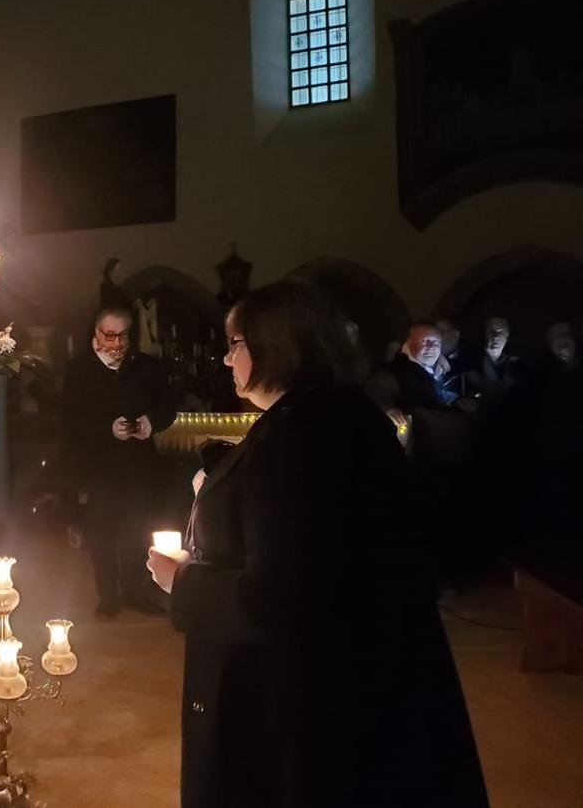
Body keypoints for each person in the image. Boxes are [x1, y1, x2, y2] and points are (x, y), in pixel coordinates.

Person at [146, 281, 487, 808]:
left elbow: (279, 599)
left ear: (277, 345)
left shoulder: (303, 438)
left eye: (236, 343)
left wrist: (184, 580)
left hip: (307, 717)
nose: (225, 356)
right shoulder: (330, 418)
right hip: (349, 695)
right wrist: (222, 475)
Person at [62, 305, 176, 618]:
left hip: (139, 465)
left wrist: (148, 424)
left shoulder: (147, 367)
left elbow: (168, 407)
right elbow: (70, 420)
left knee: (137, 529)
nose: (114, 342)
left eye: (121, 335)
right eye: (108, 334)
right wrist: (106, 429)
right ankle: (108, 597)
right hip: (98, 467)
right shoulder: (79, 369)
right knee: (102, 531)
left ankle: (134, 591)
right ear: (96, 333)